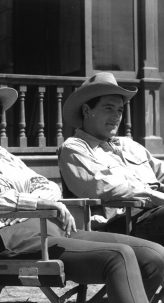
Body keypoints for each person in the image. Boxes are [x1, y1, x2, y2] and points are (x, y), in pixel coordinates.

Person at [0, 73, 164, 303]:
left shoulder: (1, 154)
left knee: (154, 256)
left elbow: (44, 184)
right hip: (12, 240)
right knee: (119, 256)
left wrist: (41, 200)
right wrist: (33, 202)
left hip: (52, 231)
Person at [58, 72, 164, 244]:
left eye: (120, 110)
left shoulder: (129, 145)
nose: (116, 117)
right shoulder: (74, 149)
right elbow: (104, 187)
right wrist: (154, 196)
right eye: (109, 108)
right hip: (120, 225)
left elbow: (160, 171)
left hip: (154, 216)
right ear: (86, 110)